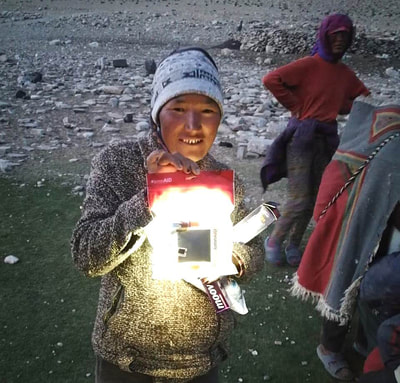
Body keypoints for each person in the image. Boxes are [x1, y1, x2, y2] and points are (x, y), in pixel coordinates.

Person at [71, 47, 264, 383]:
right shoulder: (117, 164)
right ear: (156, 113)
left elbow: (255, 254)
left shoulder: (224, 181)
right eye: (178, 108)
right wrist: (149, 198)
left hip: (201, 364)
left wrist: (230, 259)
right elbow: (86, 255)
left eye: (207, 110)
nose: (194, 125)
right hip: (128, 363)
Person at [290, 100, 400, 381]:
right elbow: (343, 170)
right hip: (359, 219)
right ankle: (330, 347)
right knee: (343, 275)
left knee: (378, 289)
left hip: (390, 229)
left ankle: (368, 344)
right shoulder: (390, 134)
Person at [260, 13, 370, 267]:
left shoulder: (345, 73)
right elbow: (271, 79)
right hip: (301, 139)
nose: (340, 40)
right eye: (335, 35)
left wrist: (341, 107)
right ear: (325, 36)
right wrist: (297, 105)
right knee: (299, 198)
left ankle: (294, 244)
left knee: (316, 198)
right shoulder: (309, 65)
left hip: (327, 140)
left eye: (345, 36)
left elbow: (362, 97)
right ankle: (275, 240)